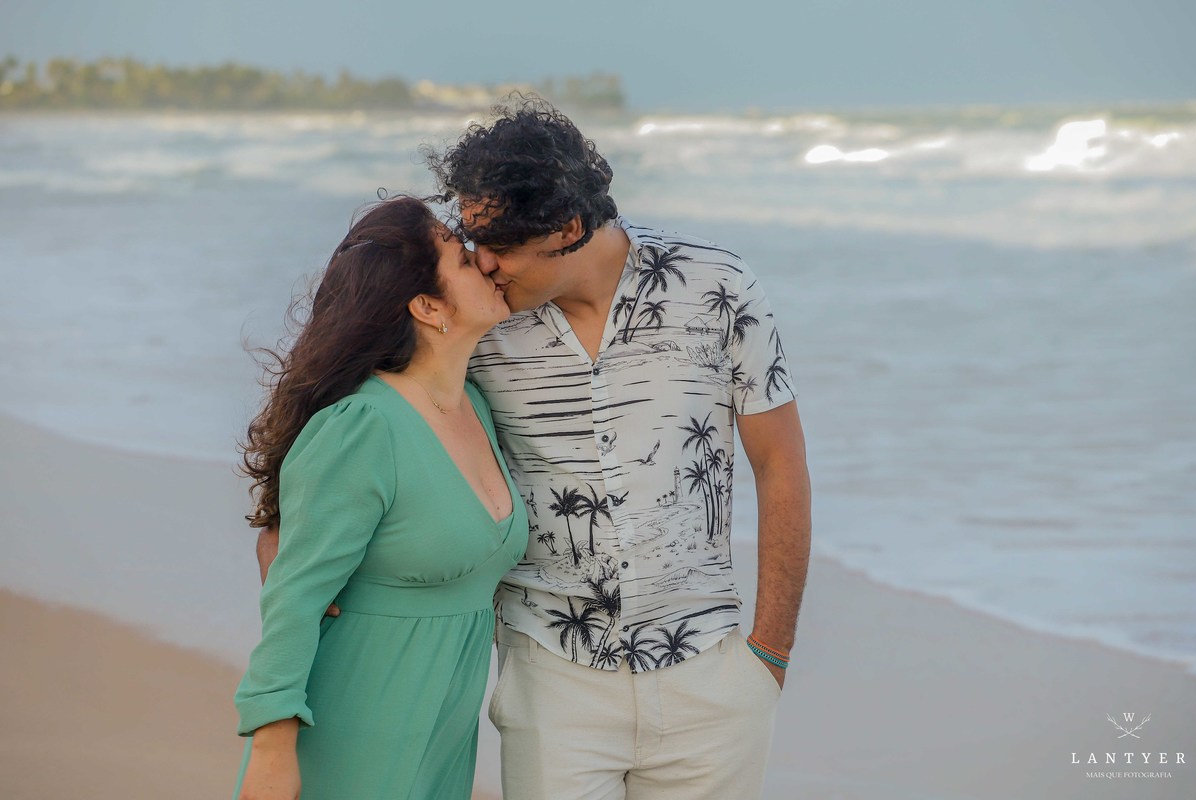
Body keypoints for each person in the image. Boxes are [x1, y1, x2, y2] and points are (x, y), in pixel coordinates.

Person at [261, 98, 812, 800]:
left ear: (568, 229)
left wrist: (769, 652)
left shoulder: (719, 290)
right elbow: (362, 401)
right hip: (552, 677)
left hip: (713, 675)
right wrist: (280, 525)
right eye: (471, 236)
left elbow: (781, 463)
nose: (482, 264)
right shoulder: (481, 321)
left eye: (499, 245)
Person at [233, 196, 527, 800]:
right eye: (462, 258)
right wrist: (271, 747)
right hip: (357, 720)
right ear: (426, 306)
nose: (486, 263)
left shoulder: (476, 406)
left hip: (441, 731)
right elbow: (295, 598)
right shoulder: (361, 426)